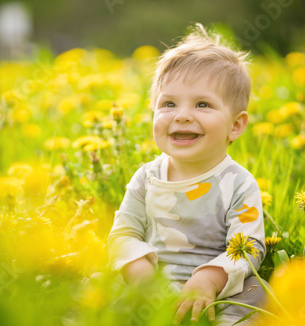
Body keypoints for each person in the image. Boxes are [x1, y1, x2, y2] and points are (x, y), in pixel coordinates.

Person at [107, 24, 266, 325]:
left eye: (202, 104)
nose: (181, 115)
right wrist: (142, 276)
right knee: (101, 288)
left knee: (258, 294)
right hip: (153, 285)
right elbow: (123, 233)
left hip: (220, 289)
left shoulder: (238, 183)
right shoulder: (146, 178)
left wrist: (209, 280)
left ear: (235, 125)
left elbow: (249, 247)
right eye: (168, 104)